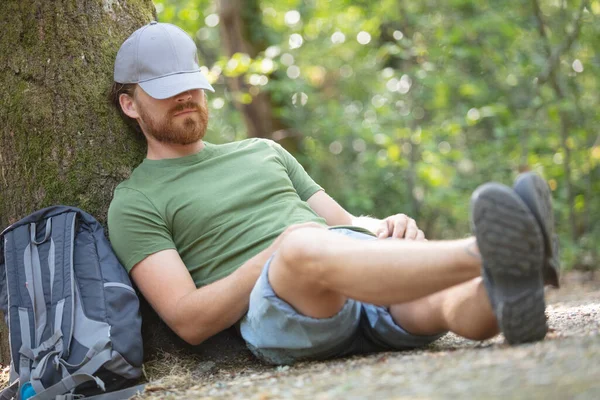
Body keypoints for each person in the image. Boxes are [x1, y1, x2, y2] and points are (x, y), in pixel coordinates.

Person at [107, 22, 559, 365]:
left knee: (446, 302)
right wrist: (276, 252)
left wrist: (384, 227)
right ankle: (493, 250)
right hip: (289, 306)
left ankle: (505, 284)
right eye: (167, 91)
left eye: (191, 84)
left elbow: (343, 223)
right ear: (130, 104)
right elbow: (187, 320)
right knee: (302, 245)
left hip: (351, 270)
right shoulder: (135, 201)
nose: (186, 97)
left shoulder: (262, 151)